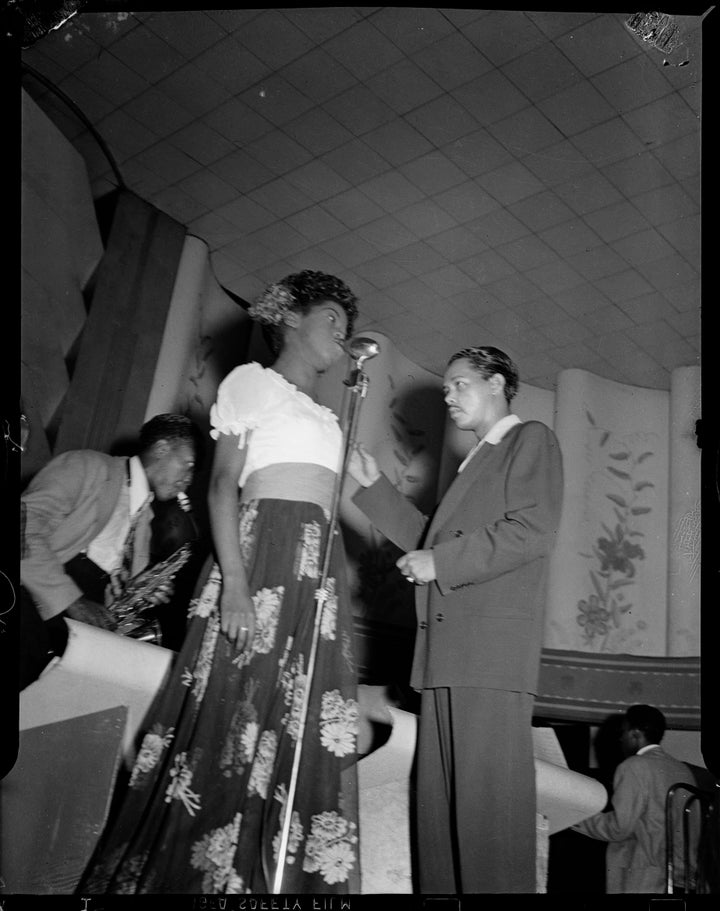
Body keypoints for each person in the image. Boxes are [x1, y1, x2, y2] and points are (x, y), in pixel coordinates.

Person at [77, 270, 362, 894]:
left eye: (348, 325)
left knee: (293, 720)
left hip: (315, 571)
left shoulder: (327, 413)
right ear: (291, 319)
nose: (343, 335)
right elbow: (220, 484)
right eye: (331, 320)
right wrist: (234, 582)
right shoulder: (251, 383)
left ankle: (255, 880)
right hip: (260, 560)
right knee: (234, 713)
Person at [348, 345, 564, 894]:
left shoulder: (528, 439)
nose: (448, 397)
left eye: (459, 384)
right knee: (440, 819)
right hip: (447, 657)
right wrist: (374, 487)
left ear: (496, 383)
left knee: (487, 821)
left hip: (490, 659)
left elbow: (530, 531)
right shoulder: (476, 462)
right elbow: (433, 541)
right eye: (444, 389)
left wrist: (440, 562)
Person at [19, 414, 198, 685]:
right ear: (162, 449)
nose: (188, 480)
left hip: (73, 631)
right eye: (188, 465)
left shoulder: (146, 523)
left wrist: (140, 593)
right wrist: (72, 602)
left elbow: (113, 601)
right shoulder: (86, 466)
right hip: (27, 604)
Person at [572, 704, 704, 893]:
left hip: (644, 881)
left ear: (635, 734)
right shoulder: (683, 770)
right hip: (684, 881)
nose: (620, 738)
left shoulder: (633, 766)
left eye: (623, 732)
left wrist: (573, 817)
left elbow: (618, 828)